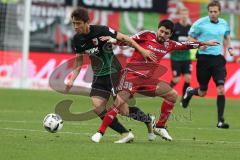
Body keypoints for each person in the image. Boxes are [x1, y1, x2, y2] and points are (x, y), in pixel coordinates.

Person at [91, 19, 219, 143]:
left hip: (147, 81)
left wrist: (204, 43)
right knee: (119, 105)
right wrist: (114, 40)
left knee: (172, 95)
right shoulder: (146, 35)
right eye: (161, 31)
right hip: (131, 76)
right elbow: (129, 40)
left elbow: (186, 45)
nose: (162, 35)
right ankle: (100, 132)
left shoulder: (169, 44)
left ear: (170, 35)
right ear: (158, 29)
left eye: (166, 33)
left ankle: (160, 126)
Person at [65, 7, 157, 143]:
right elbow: (78, 62)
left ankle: (148, 120)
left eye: (78, 23)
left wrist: (142, 50)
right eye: (73, 23)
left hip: (113, 72)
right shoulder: (77, 40)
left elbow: (126, 38)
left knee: (124, 110)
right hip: (98, 75)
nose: (75, 26)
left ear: (86, 22)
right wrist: (71, 79)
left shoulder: (102, 30)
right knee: (97, 108)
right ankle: (125, 134)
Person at [181, 1, 234, 129]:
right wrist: (201, 43)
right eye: (211, 11)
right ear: (208, 11)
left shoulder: (224, 23)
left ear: (219, 12)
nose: (213, 14)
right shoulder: (200, 23)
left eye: (215, 11)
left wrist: (230, 48)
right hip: (203, 60)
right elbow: (189, 39)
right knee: (203, 92)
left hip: (218, 60)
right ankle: (190, 92)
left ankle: (220, 121)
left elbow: (226, 37)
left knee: (221, 89)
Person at [170, 8, 192, 99]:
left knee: (188, 78)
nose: (184, 16)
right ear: (180, 15)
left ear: (188, 15)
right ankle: (165, 92)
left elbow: (193, 40)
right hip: (176, 58)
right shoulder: (175, 27)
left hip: (186, 57)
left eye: (185, 14)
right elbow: (169, 40)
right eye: (182, 14)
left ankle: (184, 98)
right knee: (176, 79)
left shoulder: (190, 28)